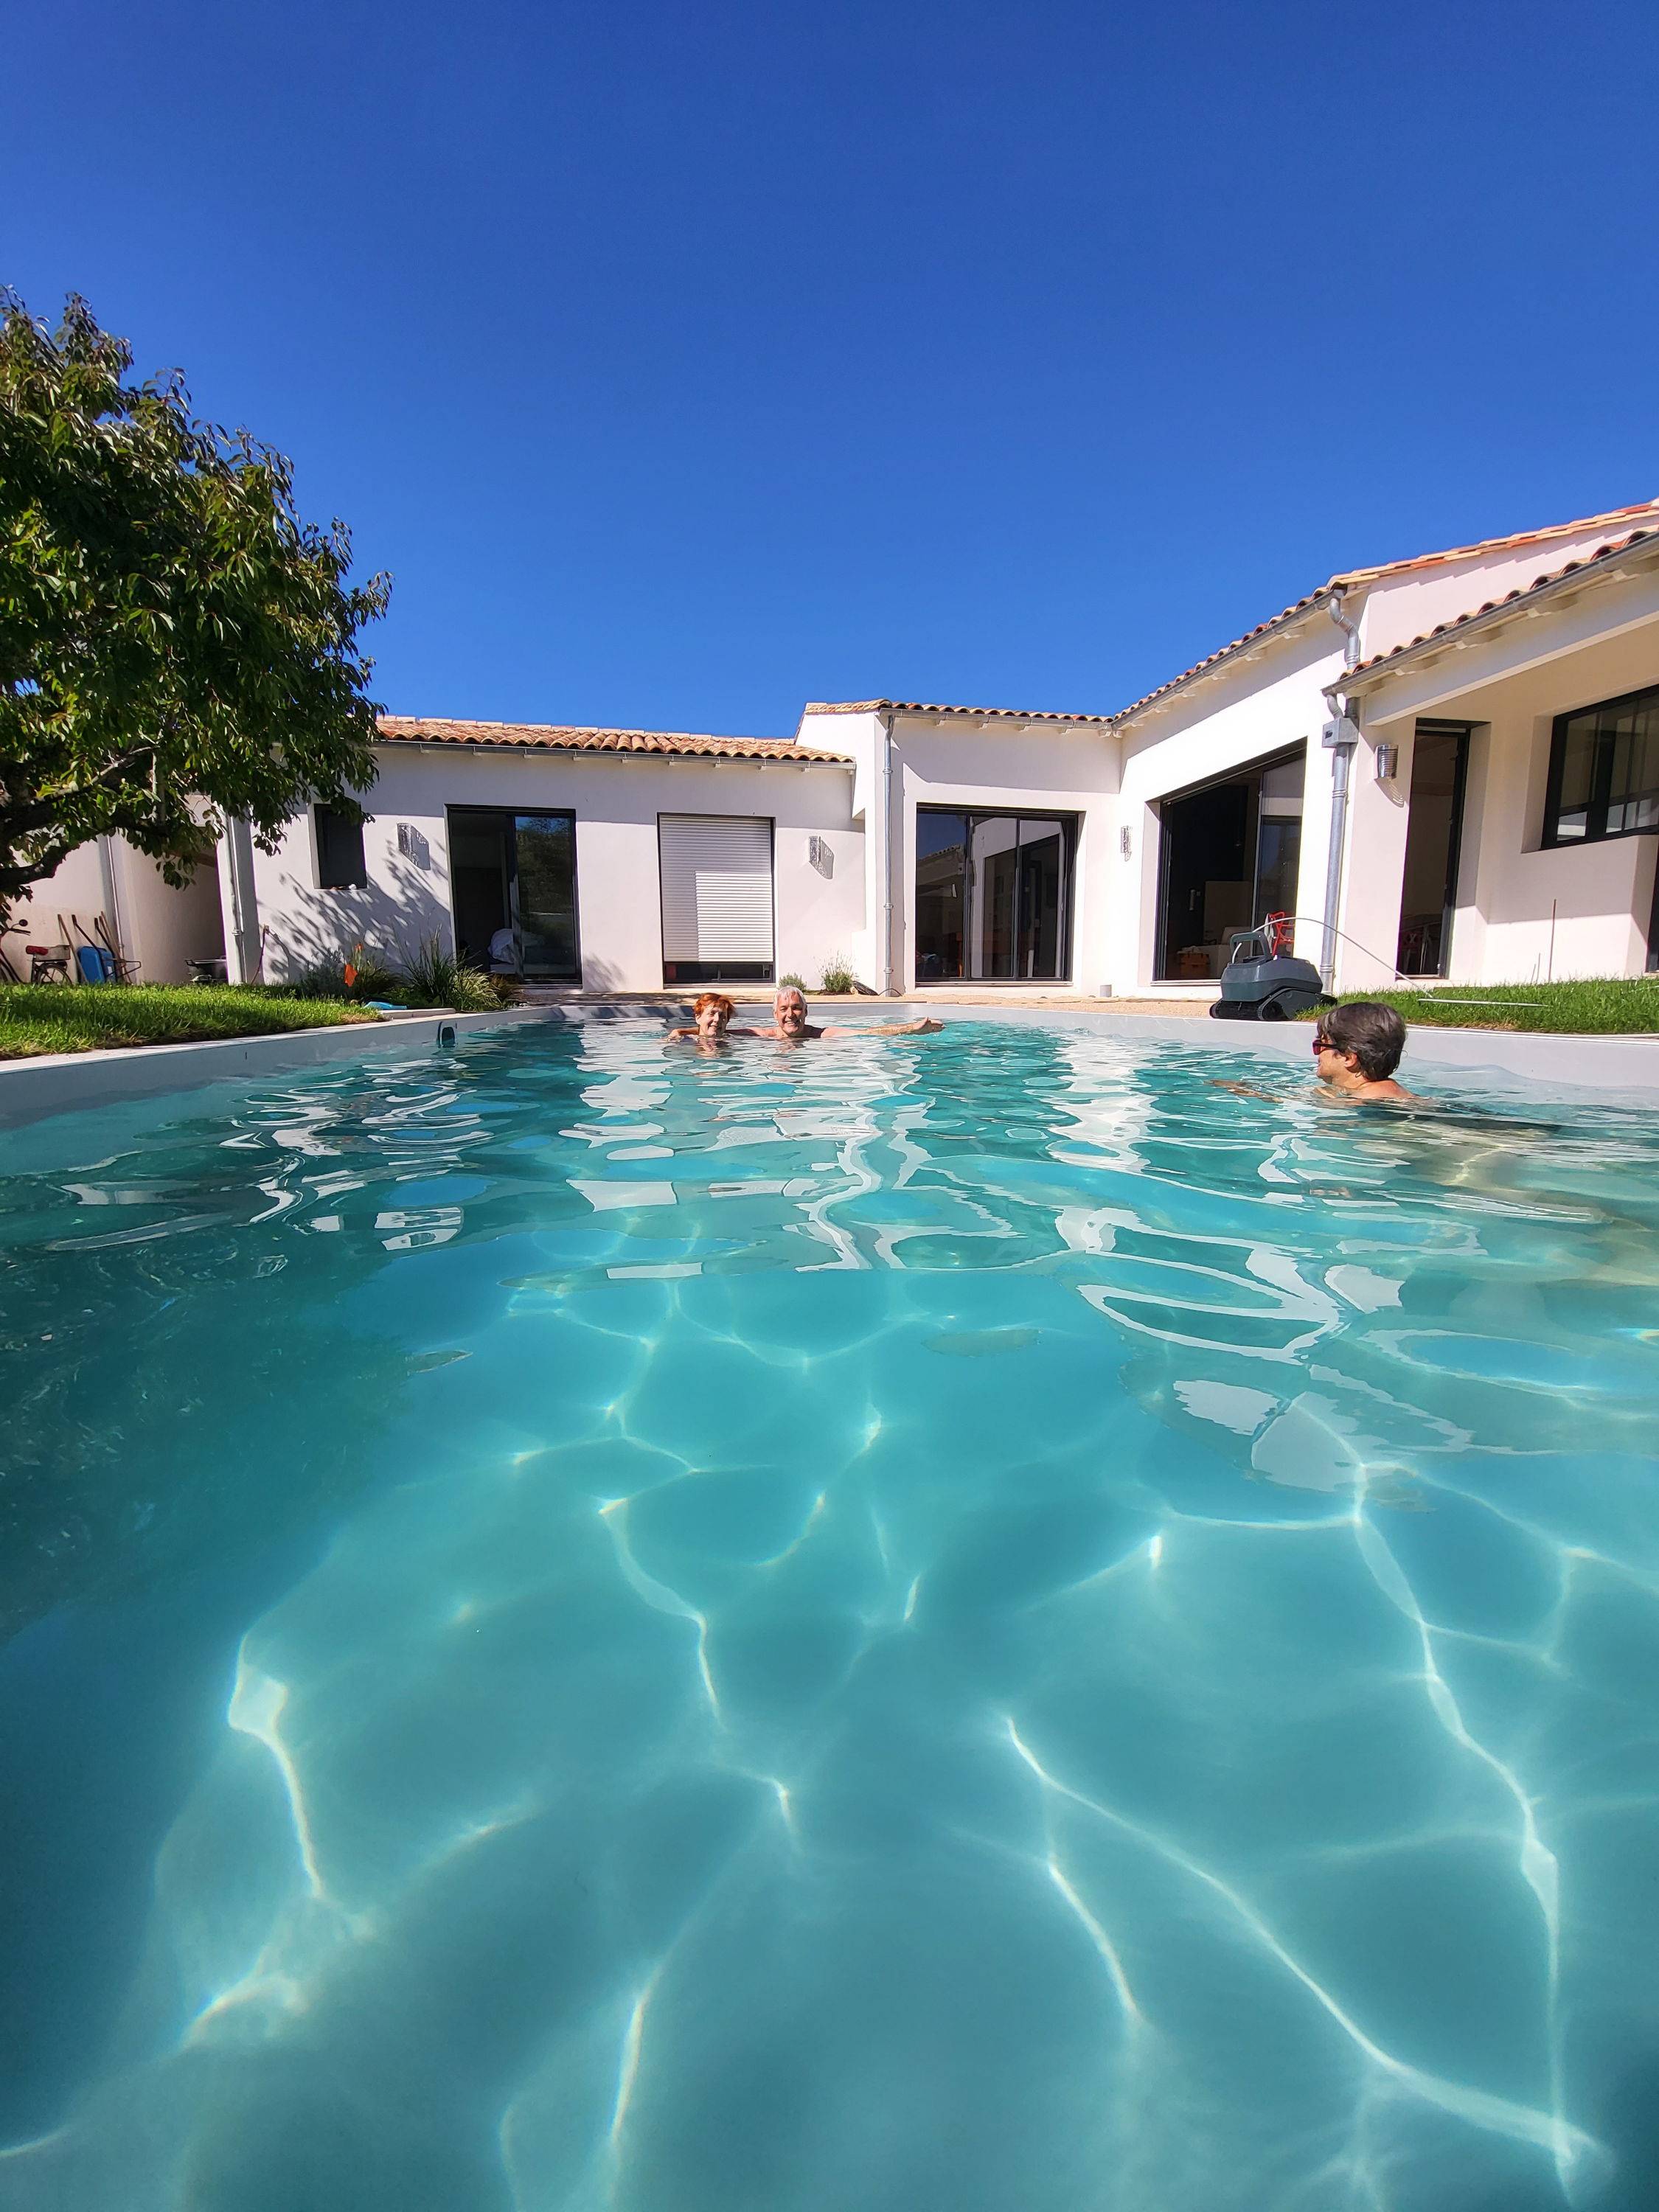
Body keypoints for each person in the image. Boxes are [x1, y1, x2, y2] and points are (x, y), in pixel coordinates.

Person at [756, 985, 943, 1042]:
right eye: (783, 1009)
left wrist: (911, 1028)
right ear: (775, 1014)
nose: (790, 1014)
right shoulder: (763, 1036)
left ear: (806, 1011)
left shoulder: (820, 1035)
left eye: (796, 1008)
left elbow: (867, 1032)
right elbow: (726, 1032)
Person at [1312, 1001, 1412, 1102]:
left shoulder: (1367, 1099)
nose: (1318, 1052)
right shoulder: (1394, 1092)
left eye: (1320, 1045)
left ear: (1348, 1058)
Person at [666, 991, 740, 1047]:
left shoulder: (733, 1039)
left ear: (727, 1021)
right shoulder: (683, 1040)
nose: (717, 1019)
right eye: (712, 1014)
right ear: (698, 1017)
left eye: (722, 1016)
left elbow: (750, 1030)